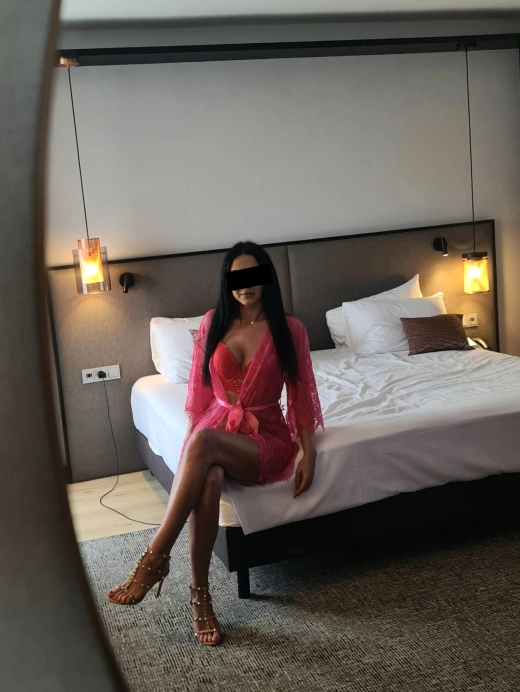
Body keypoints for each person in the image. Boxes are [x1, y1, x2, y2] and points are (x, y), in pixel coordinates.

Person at [107, 241, 324, 646]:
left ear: (266, 278)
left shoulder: (289, 329)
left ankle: (155, 558)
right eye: (236, 278)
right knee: (207, 478)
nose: (245, 286)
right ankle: (201, 599)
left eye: (252, 276)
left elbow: (301, 396)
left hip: (265, 438)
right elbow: (199, 393)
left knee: (205, 442)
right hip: (216, 427)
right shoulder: (212, 322)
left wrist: (308, 453)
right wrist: (190, 450)